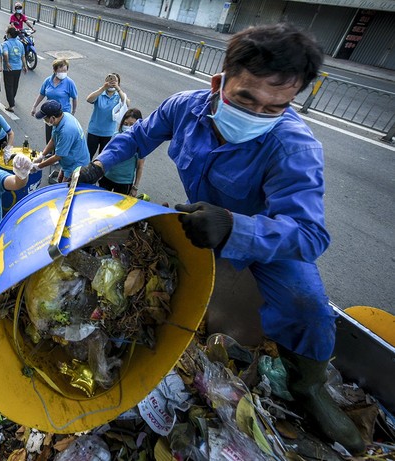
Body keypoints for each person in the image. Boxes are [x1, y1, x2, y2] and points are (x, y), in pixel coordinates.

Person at [77, 23, 365, 454]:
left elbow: (309, 235)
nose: (255, 114)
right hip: (196, 220)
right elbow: (139, 135)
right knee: (143, 279)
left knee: (309, 311)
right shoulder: (185, 108)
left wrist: (236, 227)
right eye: (246, 98)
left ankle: (311, 388)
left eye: (274, 107)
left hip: (267, 238)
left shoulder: (295, 147)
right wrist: (100, 164)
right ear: (221, 81)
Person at [32, 100, 90, 182]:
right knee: (60, 180)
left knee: (64, 189)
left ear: (52, 118)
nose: (45, 121)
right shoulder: (63, 117)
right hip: (68, 161)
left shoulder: (66, 131)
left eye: (45, 118)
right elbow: (53, 139)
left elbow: (58, 156)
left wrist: (39, 166)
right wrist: (42, 156)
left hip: (76, 166)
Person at [31, 58, 78, 145]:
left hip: (62, 115)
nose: (63, 73)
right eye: (61, 70)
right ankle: (48, 154)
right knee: (49, 138)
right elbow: (42, 94)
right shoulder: (48, 81)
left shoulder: (69, 83)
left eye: (65, 70)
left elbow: (74, 98)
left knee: (60, 140)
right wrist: (34, 106)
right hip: (49, 114)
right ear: (54, 70)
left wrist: (73, 112)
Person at [98, 108, 144, 196]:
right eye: (125, 124)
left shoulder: (140, 143)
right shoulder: (116, 136)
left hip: (124, 183)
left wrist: (135, 187)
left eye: (131, 124)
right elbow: (106, 155)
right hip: (107, 177)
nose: (127, 127)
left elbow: (140, 167)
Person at [86, 73, 129, 157]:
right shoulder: (100, 93)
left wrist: (118, 89)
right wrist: (103, 88)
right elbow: (89, 99)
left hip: (108, 133)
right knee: (88, 156)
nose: (112, 83)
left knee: (103, 159)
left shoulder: (119, 96)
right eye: (110, 80)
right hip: (94, 131)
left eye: (115, 81)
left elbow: (127, 103)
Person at [2, 27, 26, 112]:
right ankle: (12, 99)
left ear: (9, 34)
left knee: (9, 86)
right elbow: (23, 56)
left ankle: (11, 105)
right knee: (15, 85)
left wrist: (7, 63)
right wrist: (25, 66)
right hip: (18, 68)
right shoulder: (20, 43)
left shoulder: (6, 43)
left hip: (9, 68)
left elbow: (5, 54)